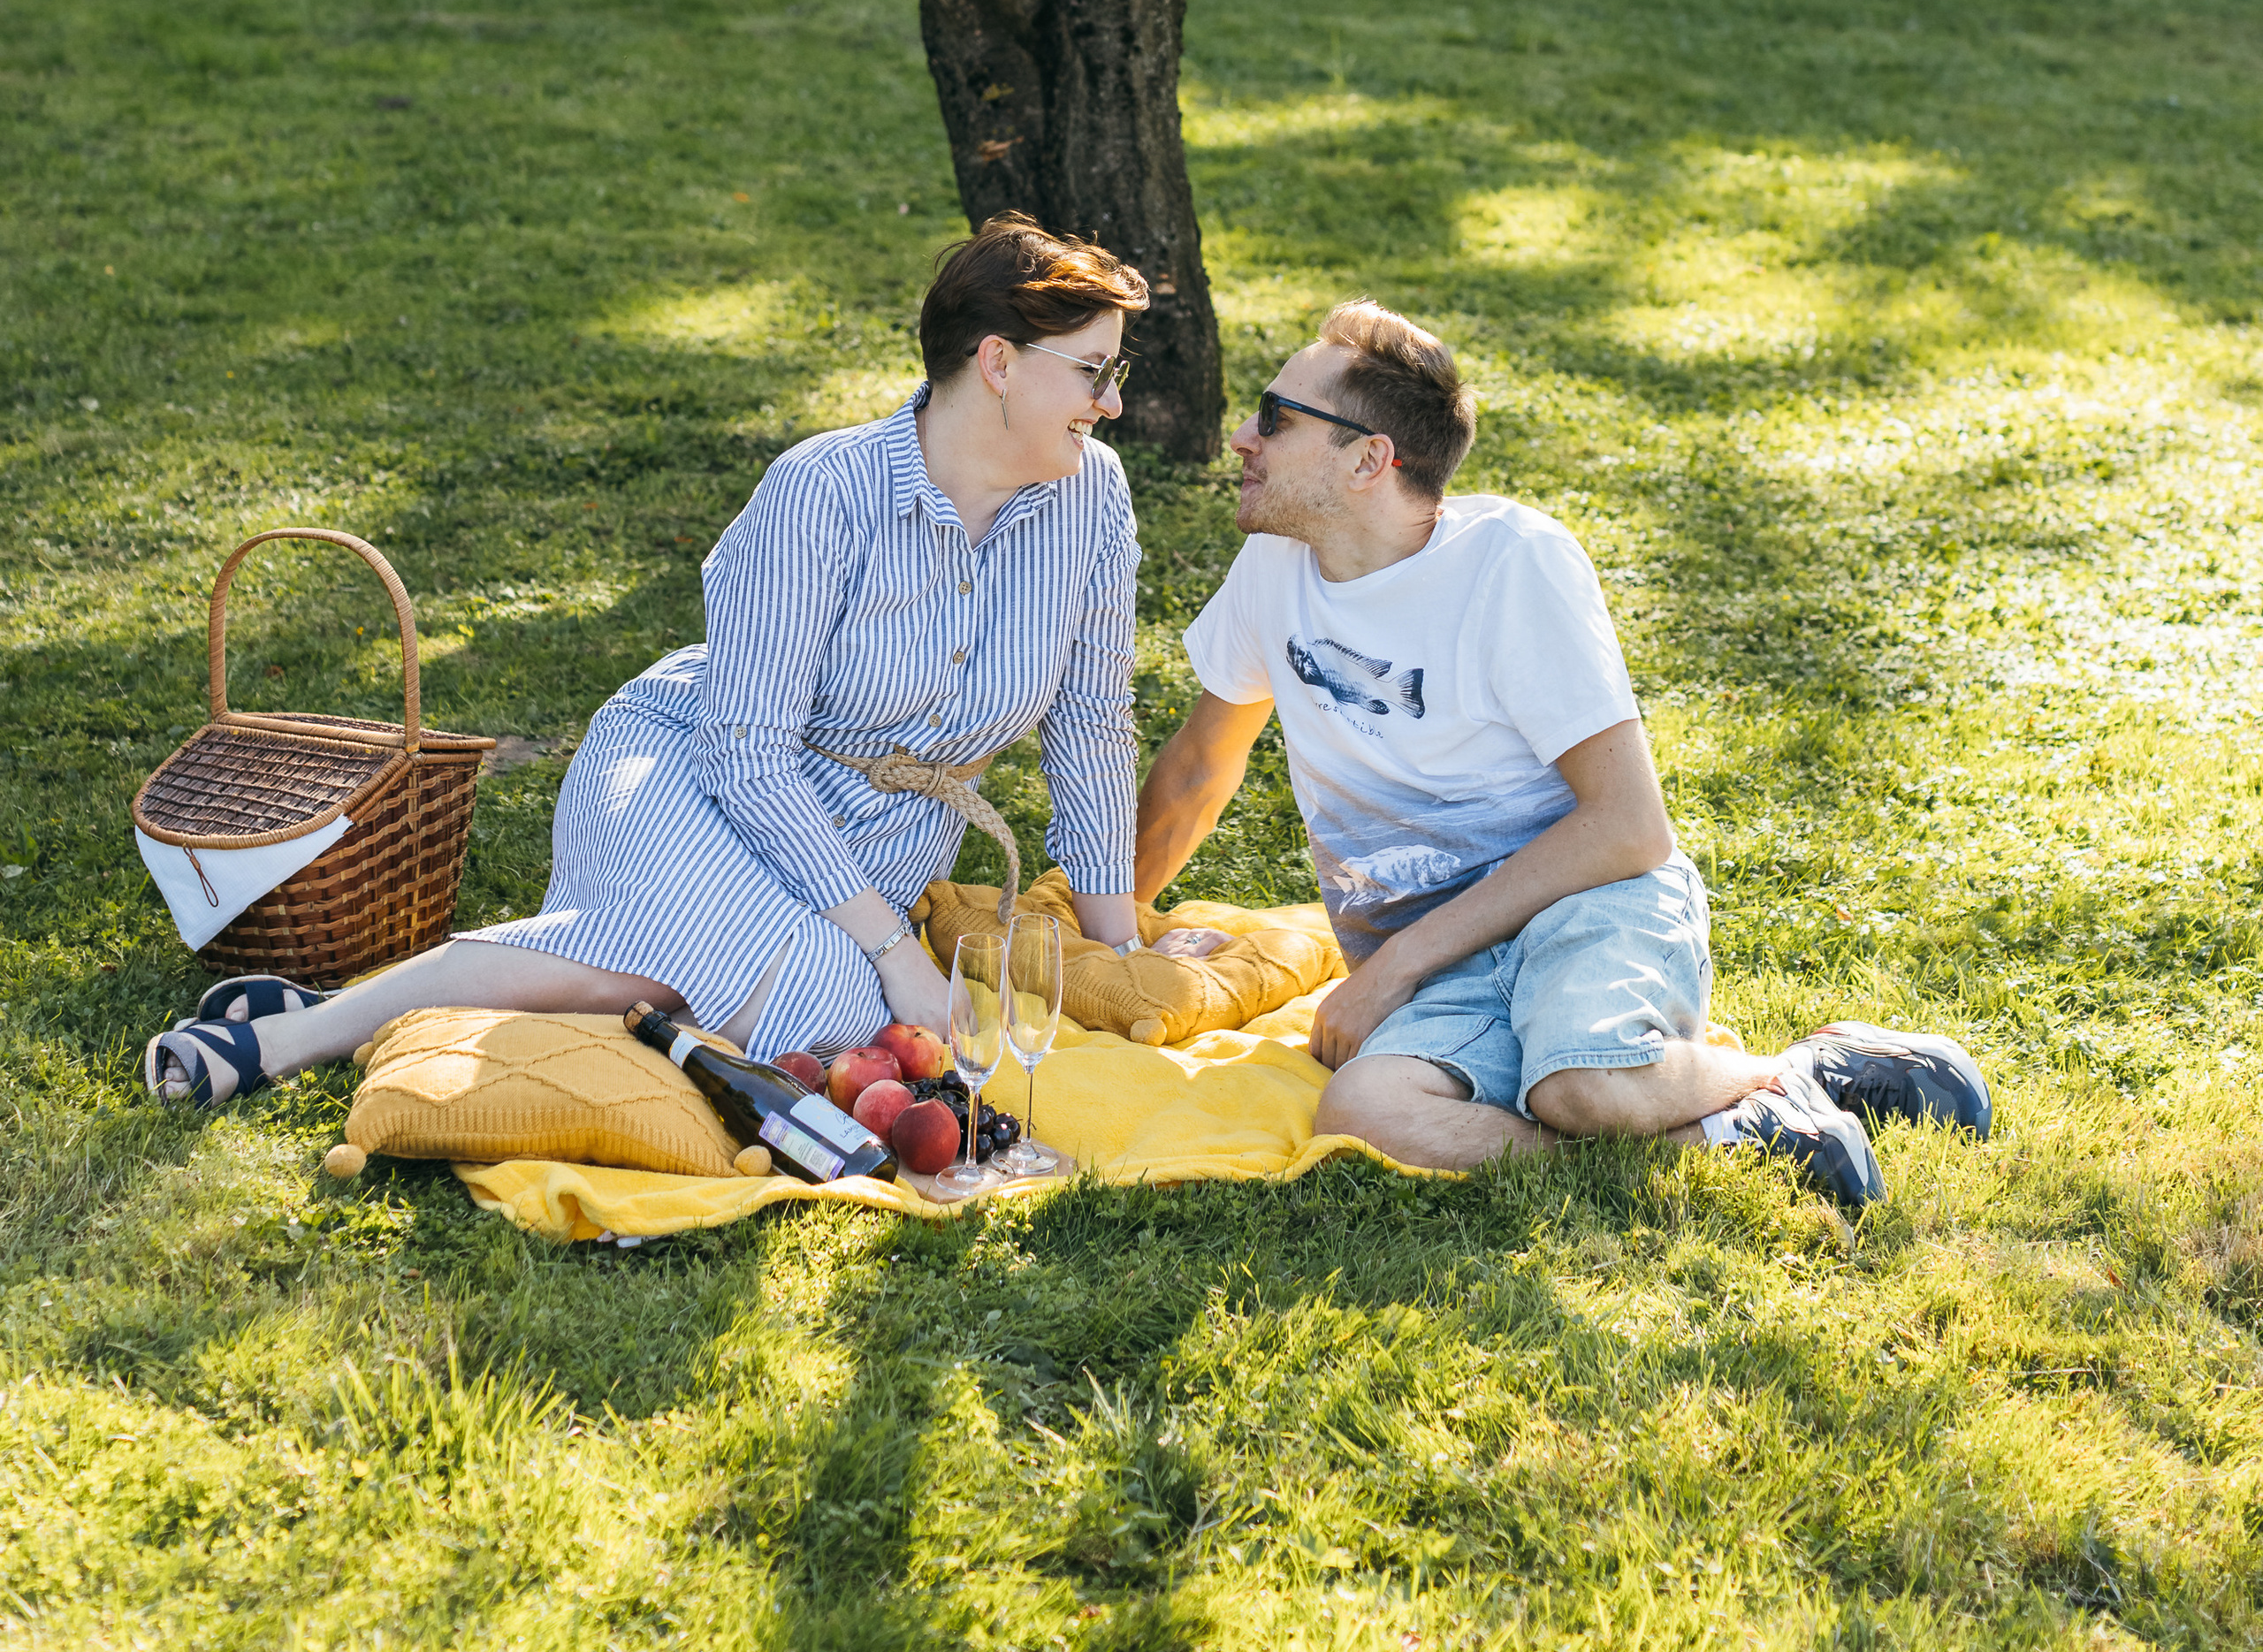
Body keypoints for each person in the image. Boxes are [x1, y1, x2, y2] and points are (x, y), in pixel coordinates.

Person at [146, 218, 1165, 1109]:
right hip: (699, 775)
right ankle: (292, 1040)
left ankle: (344, 1004)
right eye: (1093, 371)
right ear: (997, 361)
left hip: (878, 842)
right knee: (784, 977)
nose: (1111, 404)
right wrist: (896, 952)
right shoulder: (822, 491)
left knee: (822, 1005)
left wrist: (1117, 946)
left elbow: (1088, 726)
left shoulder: (1094, 497)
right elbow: (749, 754)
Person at [1131, 302, 1991, 1206]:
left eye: (1274, 417)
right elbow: (1198, 766)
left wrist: (1393, 966)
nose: (1239, 436)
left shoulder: (1510, 564)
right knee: (1365, 1111)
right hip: (1447, 968)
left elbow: (1629, 828)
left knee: (1575, 1087)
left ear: (1367, 460)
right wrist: (1105, 922)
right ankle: (1721, 1131)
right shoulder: (1275, 568)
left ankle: (1803, 1065)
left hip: (1584, 905)